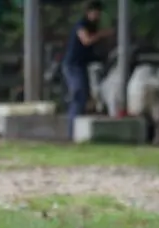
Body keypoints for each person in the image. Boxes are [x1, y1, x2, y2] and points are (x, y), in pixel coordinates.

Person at [61, 0, 114, 139]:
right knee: (78, 93)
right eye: (94, 12)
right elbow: (86, 40)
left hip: (83, 65)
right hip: (73, 65)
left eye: (98, 13)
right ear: (88, 12)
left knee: (83, 96)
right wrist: (102, 34)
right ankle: (71, 130)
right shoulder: (82, 24)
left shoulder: (93, 26)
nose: (97, 15)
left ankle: (76, 129)